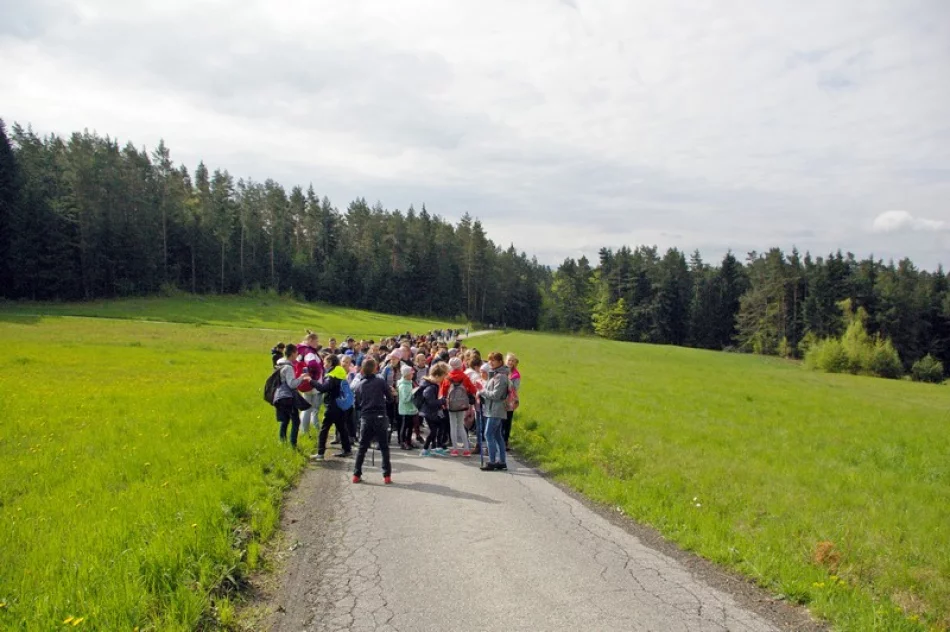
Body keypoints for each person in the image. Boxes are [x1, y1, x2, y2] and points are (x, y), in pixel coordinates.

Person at [351, 357, 394, 484]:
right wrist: (384, 401)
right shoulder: (380, 382)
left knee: (362, 447)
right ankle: (387, 476)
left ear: (362, 370)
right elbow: (390, 398)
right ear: (375, 368)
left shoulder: (359, 385)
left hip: (366, 417)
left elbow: (357, 404)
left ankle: (356, 474)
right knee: (384, 447)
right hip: (380, 416)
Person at [310, 354, 353, 460]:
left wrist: (310, 381)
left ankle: (320, 454)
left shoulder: (332, 376)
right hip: (341, 405)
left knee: (324, 429)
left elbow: (322, 388)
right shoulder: (341, 372)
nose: (324, 364)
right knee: (342, 428)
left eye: (325, 362)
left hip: (332, 407)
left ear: (330, 363)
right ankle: (347, 450)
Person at [273, 343, 310, 448]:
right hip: (287, 397)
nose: (297, 354)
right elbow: (292, 384)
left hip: (279, 396)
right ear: (293, 353)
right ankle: (293, 445)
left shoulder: (279, 364)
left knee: (284, 420)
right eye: (296, 352)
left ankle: (282, 442)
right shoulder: (288, 367)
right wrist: (301, 377)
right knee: (296, 421)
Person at [440, 357, 476, 456]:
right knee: (461, 425)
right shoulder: (464, 376)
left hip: (451, 405)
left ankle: (455, 449)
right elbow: (473, 390)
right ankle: (466, 449)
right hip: (463, 404)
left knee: (453, 426)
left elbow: (442, 393)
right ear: (460, 365)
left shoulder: (447, 378)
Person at [480, 352, 510, 471]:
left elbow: (496, 395)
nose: (490, 362)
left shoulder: (501, 377)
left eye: (493, 360)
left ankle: (492, 461)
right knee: (497, 436)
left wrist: (481, 391)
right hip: (491, 409)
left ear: (500, 362)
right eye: (489, 360)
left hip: (496, 410)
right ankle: (502, 461)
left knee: (488, 434)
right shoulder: (494, 374)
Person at [419, 362, 448, 457]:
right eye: (442, 377)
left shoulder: (432, 385)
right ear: (437, 376)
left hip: (431, 411)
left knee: (438, 428)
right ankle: (425, 449)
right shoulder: (431, 387)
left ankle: (435, 447)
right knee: (433, 431)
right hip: (429, 412)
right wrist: (442, 401)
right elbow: (431, 402)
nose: (443, 379)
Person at [397, 364, 418, 449]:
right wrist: (413, 393)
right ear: (406, 375)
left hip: (411, 409)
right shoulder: (403, 386)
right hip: (405, 410)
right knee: (405, 427)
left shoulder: (409, 383)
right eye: (411, 374)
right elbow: (405, 399)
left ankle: (408, 441)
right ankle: (403, 442)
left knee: (410, 427)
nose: (412, 375)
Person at [503, 352, 521, 449]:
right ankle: (500, 439)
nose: (510, 362)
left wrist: (507, 381)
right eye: (509, 360)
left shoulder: (516, 375)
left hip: (510, 400)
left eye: (512, 361)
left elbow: (515, 387)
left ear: (515, 363)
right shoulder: (502, 371)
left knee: (508, 420)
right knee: (501, 420)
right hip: (501, 399)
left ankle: (506, 440)